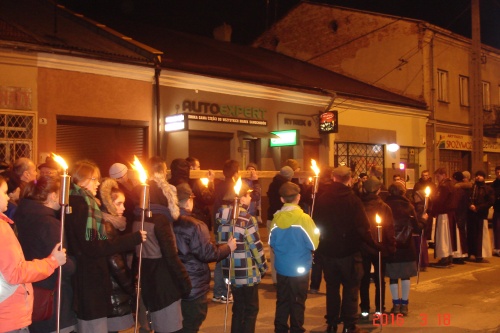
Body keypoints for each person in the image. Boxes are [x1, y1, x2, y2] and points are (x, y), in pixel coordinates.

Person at [65, 159, 147, 332]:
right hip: (90, 278)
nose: (98, 183)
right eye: (94, 179)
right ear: (82, 179)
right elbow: (95, 247)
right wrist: (133, 239)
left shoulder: (76, 201)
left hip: (85, 275)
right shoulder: (83, 205)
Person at [313, 165, 378, 333]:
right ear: (349, 179)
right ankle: (349, 325)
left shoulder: (322, 199)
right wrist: (375, 245)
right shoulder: (353, 200)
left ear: (334, 178)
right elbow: (362, 227)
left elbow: (316, 223)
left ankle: (332, 323)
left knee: (332, 289)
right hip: (349, 252)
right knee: (351, 288)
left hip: (328, 251)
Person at [0, 175, 67, 333]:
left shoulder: (15, 217)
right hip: (8, 314)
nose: (7, 196)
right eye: (3, 192)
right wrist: (52, 261)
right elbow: (15, 273)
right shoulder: (1, 229)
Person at [133, 156, 191, 333]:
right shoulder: (161, 221)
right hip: (164, 284)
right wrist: (184, 282)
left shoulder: (138, 216)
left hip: (146, 278)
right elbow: (170, 255)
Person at [14, 175, 77, 333]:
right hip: (53, 294)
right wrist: (74, 263)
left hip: (31, 289)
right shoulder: (49, 223)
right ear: (54, 196)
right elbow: (63, 263)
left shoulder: (22, 215)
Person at [174, 183, 236, 333]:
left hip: (173, 284)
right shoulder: (195, 225)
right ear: (189, 200)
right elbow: (207, 254)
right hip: (193, 284)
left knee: (176, 324)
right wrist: (228, 248)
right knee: (191, 323)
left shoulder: (165, 221)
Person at [216, 181, 267, 333]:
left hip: (230, 269)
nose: (250, 198)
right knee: (251, 309)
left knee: (238, 307)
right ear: (242, 198)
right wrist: (263, 266)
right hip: (247, 271)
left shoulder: (221, 218)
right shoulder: (246, 219)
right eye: (249, 195)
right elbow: (256, 246)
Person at [269, 181, 319, 333]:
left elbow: (271, 242)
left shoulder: (276, 219)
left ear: (282, 199)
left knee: (282, 299)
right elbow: (313, 244)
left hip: (282, 267)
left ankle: (280, 327)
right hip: (300, 268)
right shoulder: (304, 219)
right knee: (297, 300)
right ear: (298, 197)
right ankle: (297, 328)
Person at [98, 178, 136, 333]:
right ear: (108, 203)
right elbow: (115, 263)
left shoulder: (113, 224)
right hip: (111, 290)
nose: (123, 207)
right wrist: (130, 287)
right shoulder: (107, 226)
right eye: (119, 203)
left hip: (110, 289)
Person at [359, 177, 396, 318]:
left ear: (364, 189)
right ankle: (380, 308)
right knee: (380, 279)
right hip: (380, 248)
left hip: (363, 246)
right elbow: (389, 229)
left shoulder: (360, 206)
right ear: (379, 190)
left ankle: (365, 309)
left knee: (364, 279)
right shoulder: (384, 207)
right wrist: (391, 247)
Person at [384, 182, 421, 316]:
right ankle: (404, 305)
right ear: (402, 192)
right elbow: (416, 227)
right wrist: (424, 221)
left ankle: (395, 305)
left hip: (391, 245)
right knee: (405, 276)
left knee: (393, 277)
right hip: (406, 245)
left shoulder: (385, 206)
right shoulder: (409, 206)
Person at [212, 159, 239, 303]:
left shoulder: (218, 185)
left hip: (218, 226)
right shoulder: (233, 187)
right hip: (228, 226)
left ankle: (220, 291)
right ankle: (222, 292)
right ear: (236, 172)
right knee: (225, 259)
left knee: (220, 257)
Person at [266, 166, 294, 285]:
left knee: (273, 249)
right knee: (286, 248)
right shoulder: (286, 187)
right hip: (283, 219)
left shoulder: (272, 184)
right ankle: (286, 276)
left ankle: (276, 278)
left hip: (271, 218)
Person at [428, 168, 455, 268]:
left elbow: (439, 201)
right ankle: (448, 256)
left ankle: (444, 257)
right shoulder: (450, 185)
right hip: (447, 214)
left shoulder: (444, 186)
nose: (437, 178)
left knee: (442, 236)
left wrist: (433, 205)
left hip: (443, 214)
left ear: (444, 175)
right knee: (447, 236)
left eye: (438, 176)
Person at [466, 170, 495, 263]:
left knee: (480, 236)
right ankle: (470, 253)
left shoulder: (487, 189)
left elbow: (490, 202)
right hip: (471, 215)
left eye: (480, 175)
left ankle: (479, 255)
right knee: (471, 234)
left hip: (481, 215)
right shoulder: (472, 187)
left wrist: (478, 207)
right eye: (477, 175)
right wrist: (470, 205)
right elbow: (467, 198)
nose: (478, 177)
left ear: (483, 177)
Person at [186, 156, 215, 231]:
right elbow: (209, 199)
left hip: (186, 217)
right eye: (198, 167)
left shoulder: (183, 181)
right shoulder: (196, 183)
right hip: (199, 217)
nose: (200, 169)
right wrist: (211, 182)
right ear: (192, 168)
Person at [109, 162, 138, 234]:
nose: (128, 176)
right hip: (125, 224)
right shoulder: (120, 191)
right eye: (126, 174)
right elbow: (131, 207)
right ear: (122, 176)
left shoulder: (112, 188)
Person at [451, 171, 470, 264]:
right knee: (460, 235)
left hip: (458, 215)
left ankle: (459, 255)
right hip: (461, 214)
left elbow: (455, 204)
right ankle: (461, 254)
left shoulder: (458, 190)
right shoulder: (463, 189)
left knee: (458, 236)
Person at [412, 170, 436, 242]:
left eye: (426, 175)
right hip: (419, 206)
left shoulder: (432, 185)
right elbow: (414, 194)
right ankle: (421, 237)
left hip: (429, 206)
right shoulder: (417, 184)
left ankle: (428, 239)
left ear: (428, 176)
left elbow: (434, 195)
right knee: (421, 221)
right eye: (423, 175)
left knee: (428, 223)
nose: (424, 177)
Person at [492, 166, 500, 257]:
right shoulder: (494, 183)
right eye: (497, 172)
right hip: (497, 209)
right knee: (497, 229)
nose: (498, 174)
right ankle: (497, 248)